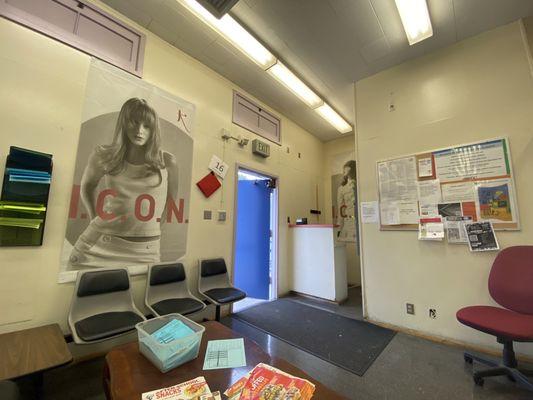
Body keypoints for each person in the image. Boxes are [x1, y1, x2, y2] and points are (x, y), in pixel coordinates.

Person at [68, 98, 179, 268]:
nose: (139, 130)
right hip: (97, 246)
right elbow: (87, 186)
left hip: (146, 251)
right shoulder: (104, 155)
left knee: (141, 295)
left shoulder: (167, 161)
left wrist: (151, 230)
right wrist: (93, 218)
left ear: (153, 130)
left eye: (146, 126)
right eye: (134, 122)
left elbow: (170, 203)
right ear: (124, 123)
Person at [337, 160, 357, 242]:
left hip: (360, 224)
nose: (345, 170)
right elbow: (340, 210)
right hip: (348, 224)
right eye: (345, 169)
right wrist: (339, 229)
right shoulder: (341, 189)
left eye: (348, 168)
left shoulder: (360, 184)